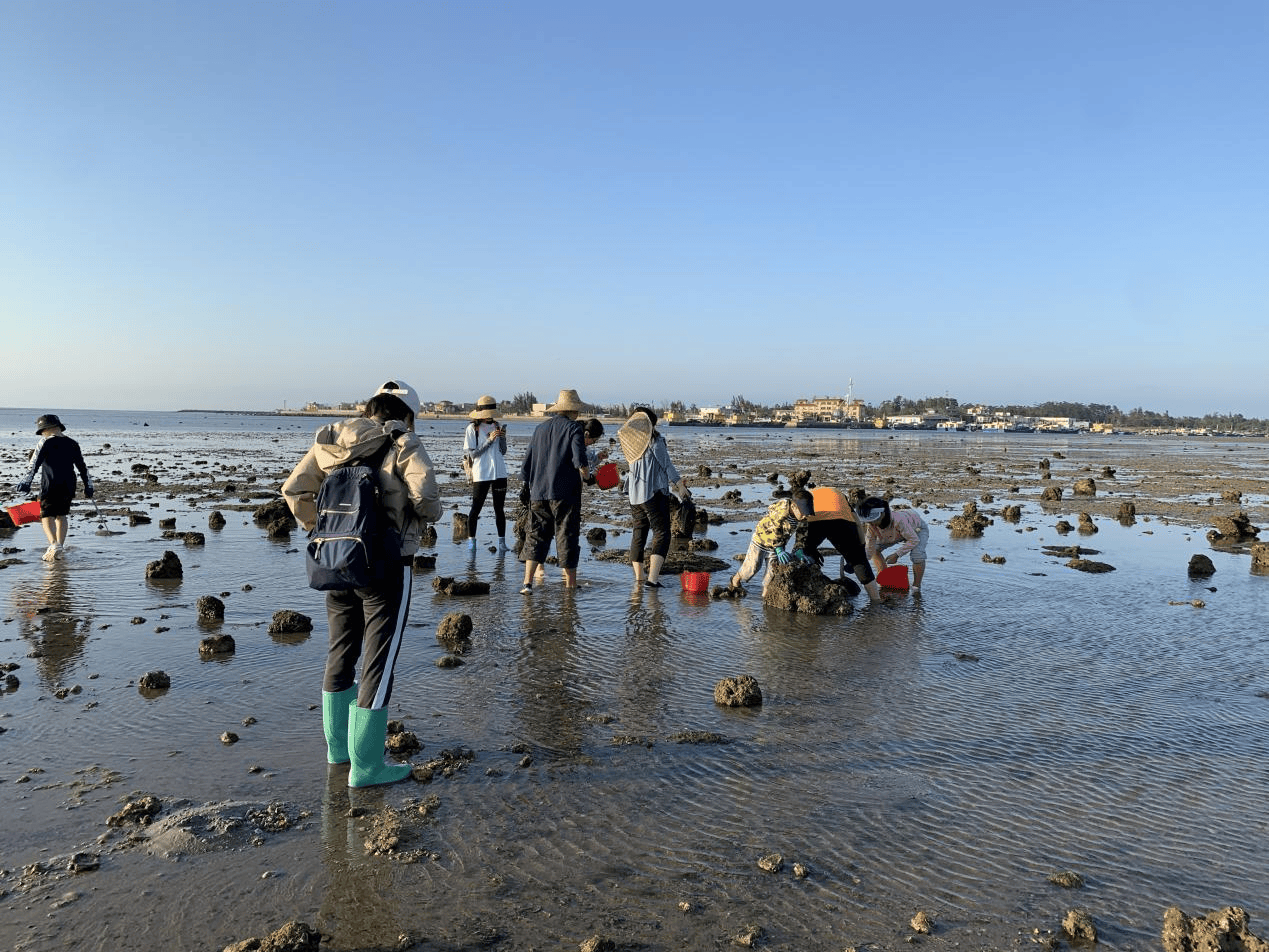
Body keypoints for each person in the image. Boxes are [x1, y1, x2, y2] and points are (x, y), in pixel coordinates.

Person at [282, 379, 441, 788]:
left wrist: (320, 530)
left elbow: (294, 489)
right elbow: (429, 501)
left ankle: (338, 752)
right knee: (379, 662)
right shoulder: (403, 442)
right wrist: (410, 520)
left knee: (341, 652)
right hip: (387, 565)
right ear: (406, 415)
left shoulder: (331, 440)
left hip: (335, 562)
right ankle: (367, 766)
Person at [519, 388, 591, 594]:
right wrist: (588, 477)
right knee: (566, 536)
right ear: (574, 410)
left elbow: (526, 463)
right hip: (565, 493)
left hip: (538, 492)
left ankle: (527, 584)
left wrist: (526, 486)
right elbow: (580, 462)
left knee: (535, 536)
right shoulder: (574, 429)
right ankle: (570, 587)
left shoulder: (540, 429)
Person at [617, 407, 690, 588]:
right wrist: (680, 485)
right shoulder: (656, 441)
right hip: (652, 494)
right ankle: (653, 580)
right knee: (662, 533)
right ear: (651, 424)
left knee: (639, 534)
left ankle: (639, 577)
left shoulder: (631, 444)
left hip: (634, 496)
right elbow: (667, 466)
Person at [16, 414, 94, 562]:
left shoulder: (44, 442)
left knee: (46, 515)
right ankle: (60, 547)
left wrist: (26, 482)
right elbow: (82, 467)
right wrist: (88, 486)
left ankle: (53, 544)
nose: (42, 433)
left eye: (42, 431)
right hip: (68, 485)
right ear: (58, 426)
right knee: (61, 515)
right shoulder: (73, 443)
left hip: (50, 484)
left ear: (46, 429)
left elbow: (34, 464)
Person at [727, 489, 815, 598]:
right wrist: (779, 549)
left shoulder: (802, 516)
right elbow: (775, 528)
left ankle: (765, 596)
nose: (804, 517)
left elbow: (802, 533)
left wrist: (799, 549)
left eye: (807, 514)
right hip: (761, 540)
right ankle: (735, 581)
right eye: (803, 514)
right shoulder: (782, 511)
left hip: (777, 546)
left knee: (771, 573)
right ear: (793, 507)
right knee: (752, 567)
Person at [802, 486, 882, 602]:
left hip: (814, 521)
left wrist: (807, 547)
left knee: (806, 553)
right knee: (859, 562)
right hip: (840, 520)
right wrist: (860, 549)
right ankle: (876, 600)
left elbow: (799, 521)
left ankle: (810, 594)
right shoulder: (839, 495)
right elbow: (857, 522)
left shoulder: (806, 495)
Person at [463, 395, 508, 551]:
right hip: (482, 473)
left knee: (499, 509)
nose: (490, 416)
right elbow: (473, 455)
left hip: (500, 473)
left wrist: (502, 438)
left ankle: (502, 544)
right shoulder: (472, 429)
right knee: (476, 508)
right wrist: (489, 440)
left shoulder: (497, 425)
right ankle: (471, 544)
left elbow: (503, 451)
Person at [858, 496, 929, 594]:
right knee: (875, 549)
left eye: (873, 519)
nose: (870, 523)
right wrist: (857, 563)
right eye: (868, 521)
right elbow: (869, 550)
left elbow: (914, 540)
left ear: (882, 514)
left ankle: (916, 587)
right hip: (893, 534)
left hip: (916, 528)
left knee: (917, 554)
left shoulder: (898, 520)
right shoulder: (872, 525)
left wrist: (897, 555)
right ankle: (883, 576)